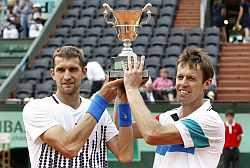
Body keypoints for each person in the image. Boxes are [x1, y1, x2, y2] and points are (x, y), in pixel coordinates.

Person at [23, 45, 133, 168]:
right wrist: (101, 101)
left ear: (84, 72)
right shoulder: (36, 108)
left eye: (73, 69)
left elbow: (125, 155)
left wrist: (124, 98)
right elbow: (69, 147)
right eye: (61, 70)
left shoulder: (99, 110)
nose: (67, 76)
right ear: (52, 74)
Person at [122, 47, 225, 168]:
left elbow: (152, 134)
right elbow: (125, 129)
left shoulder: (210, 120)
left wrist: (132, 88)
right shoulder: (168, 116)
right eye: (180, 77)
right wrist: (121, 93)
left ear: (206, 83)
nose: (183, 83)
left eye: (191, 78)